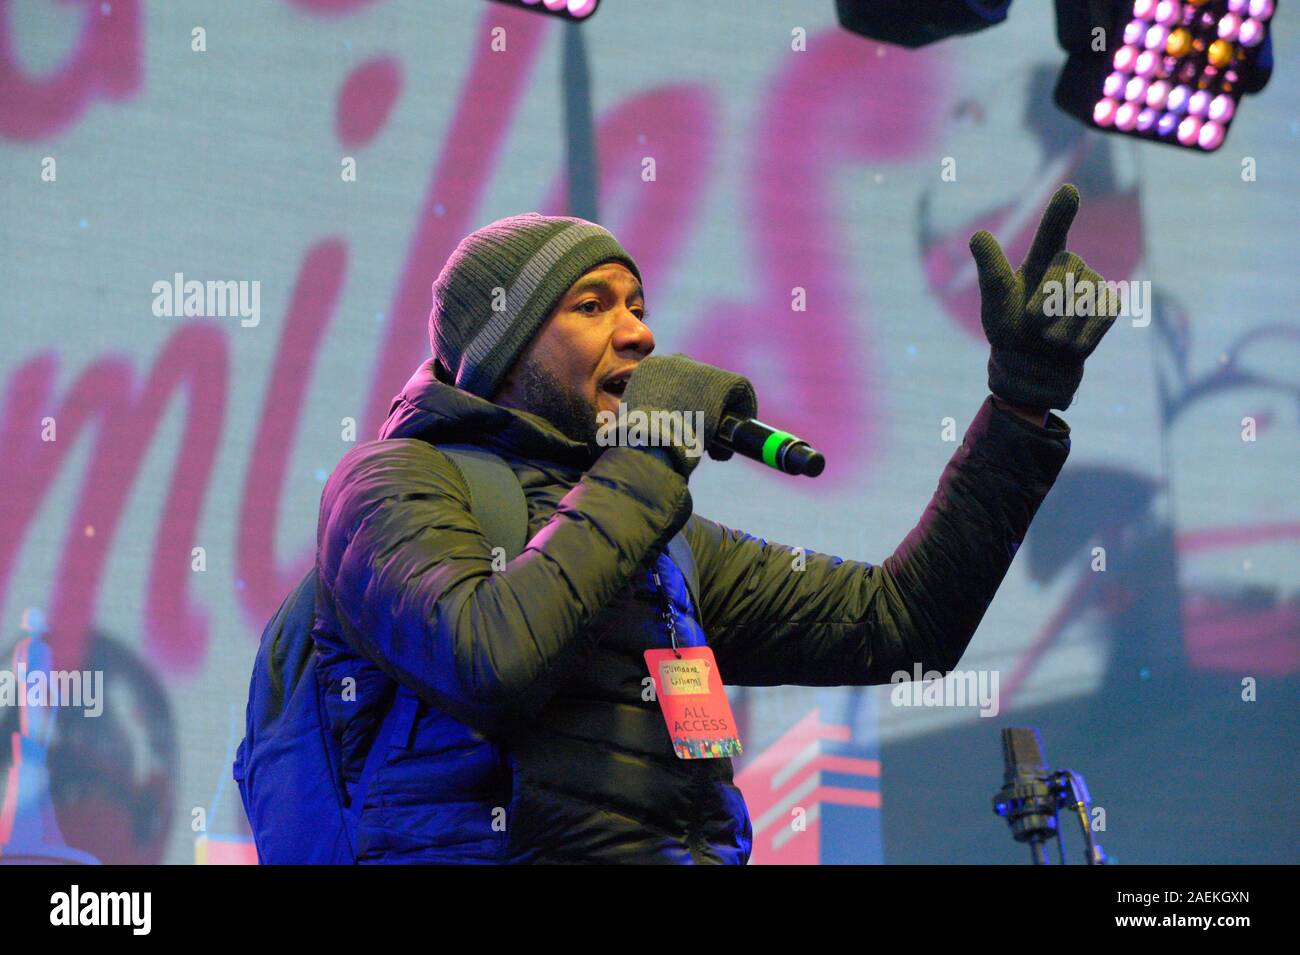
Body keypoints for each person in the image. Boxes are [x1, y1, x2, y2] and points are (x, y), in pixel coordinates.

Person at [311, 185, 1117, 863]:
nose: (640, 332)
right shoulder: (393, 479)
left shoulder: (656, 531)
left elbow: (904, 623)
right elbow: (487, 658)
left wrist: (1020, 405)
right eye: (592, 306)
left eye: (637, 305)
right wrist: (652, 452)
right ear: (502, 352)